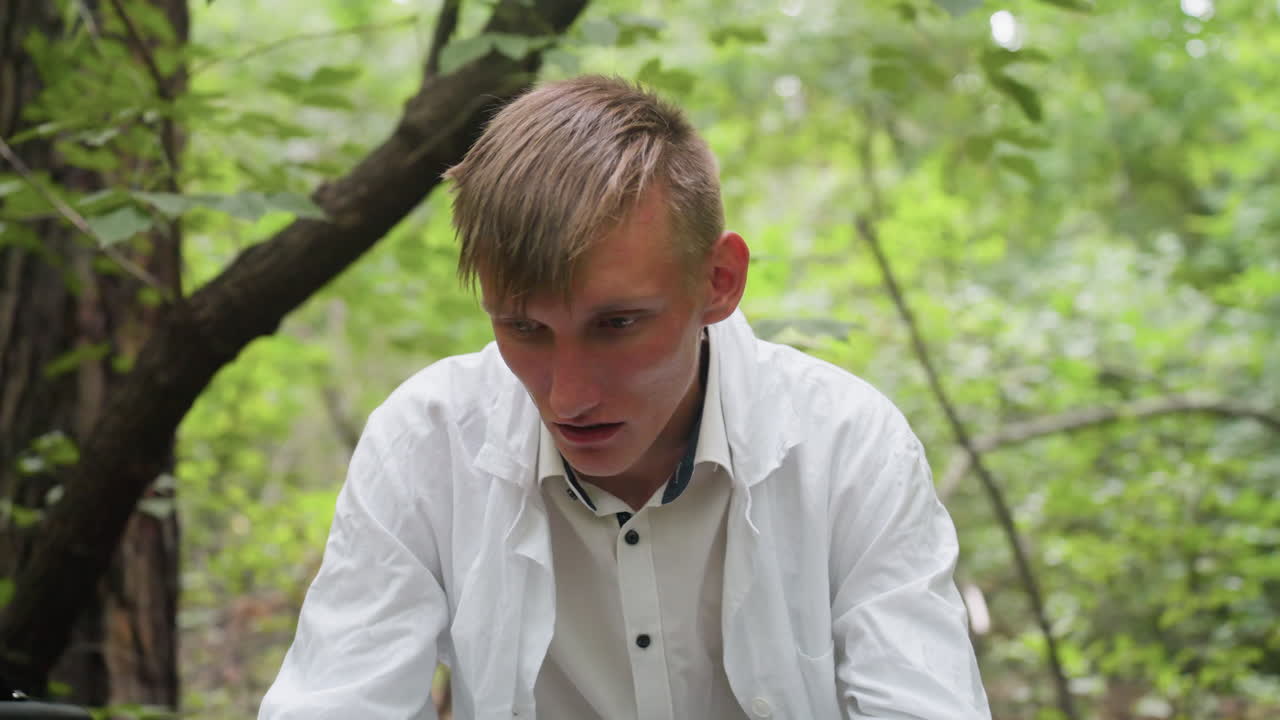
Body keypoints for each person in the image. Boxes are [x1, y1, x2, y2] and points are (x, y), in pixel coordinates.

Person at [259, 75, 991, 719]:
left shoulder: (849, 448)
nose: (568, 395)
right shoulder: (426, 444)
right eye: (524, 328)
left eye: (616, 325)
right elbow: (339, 698)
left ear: (719, 282)